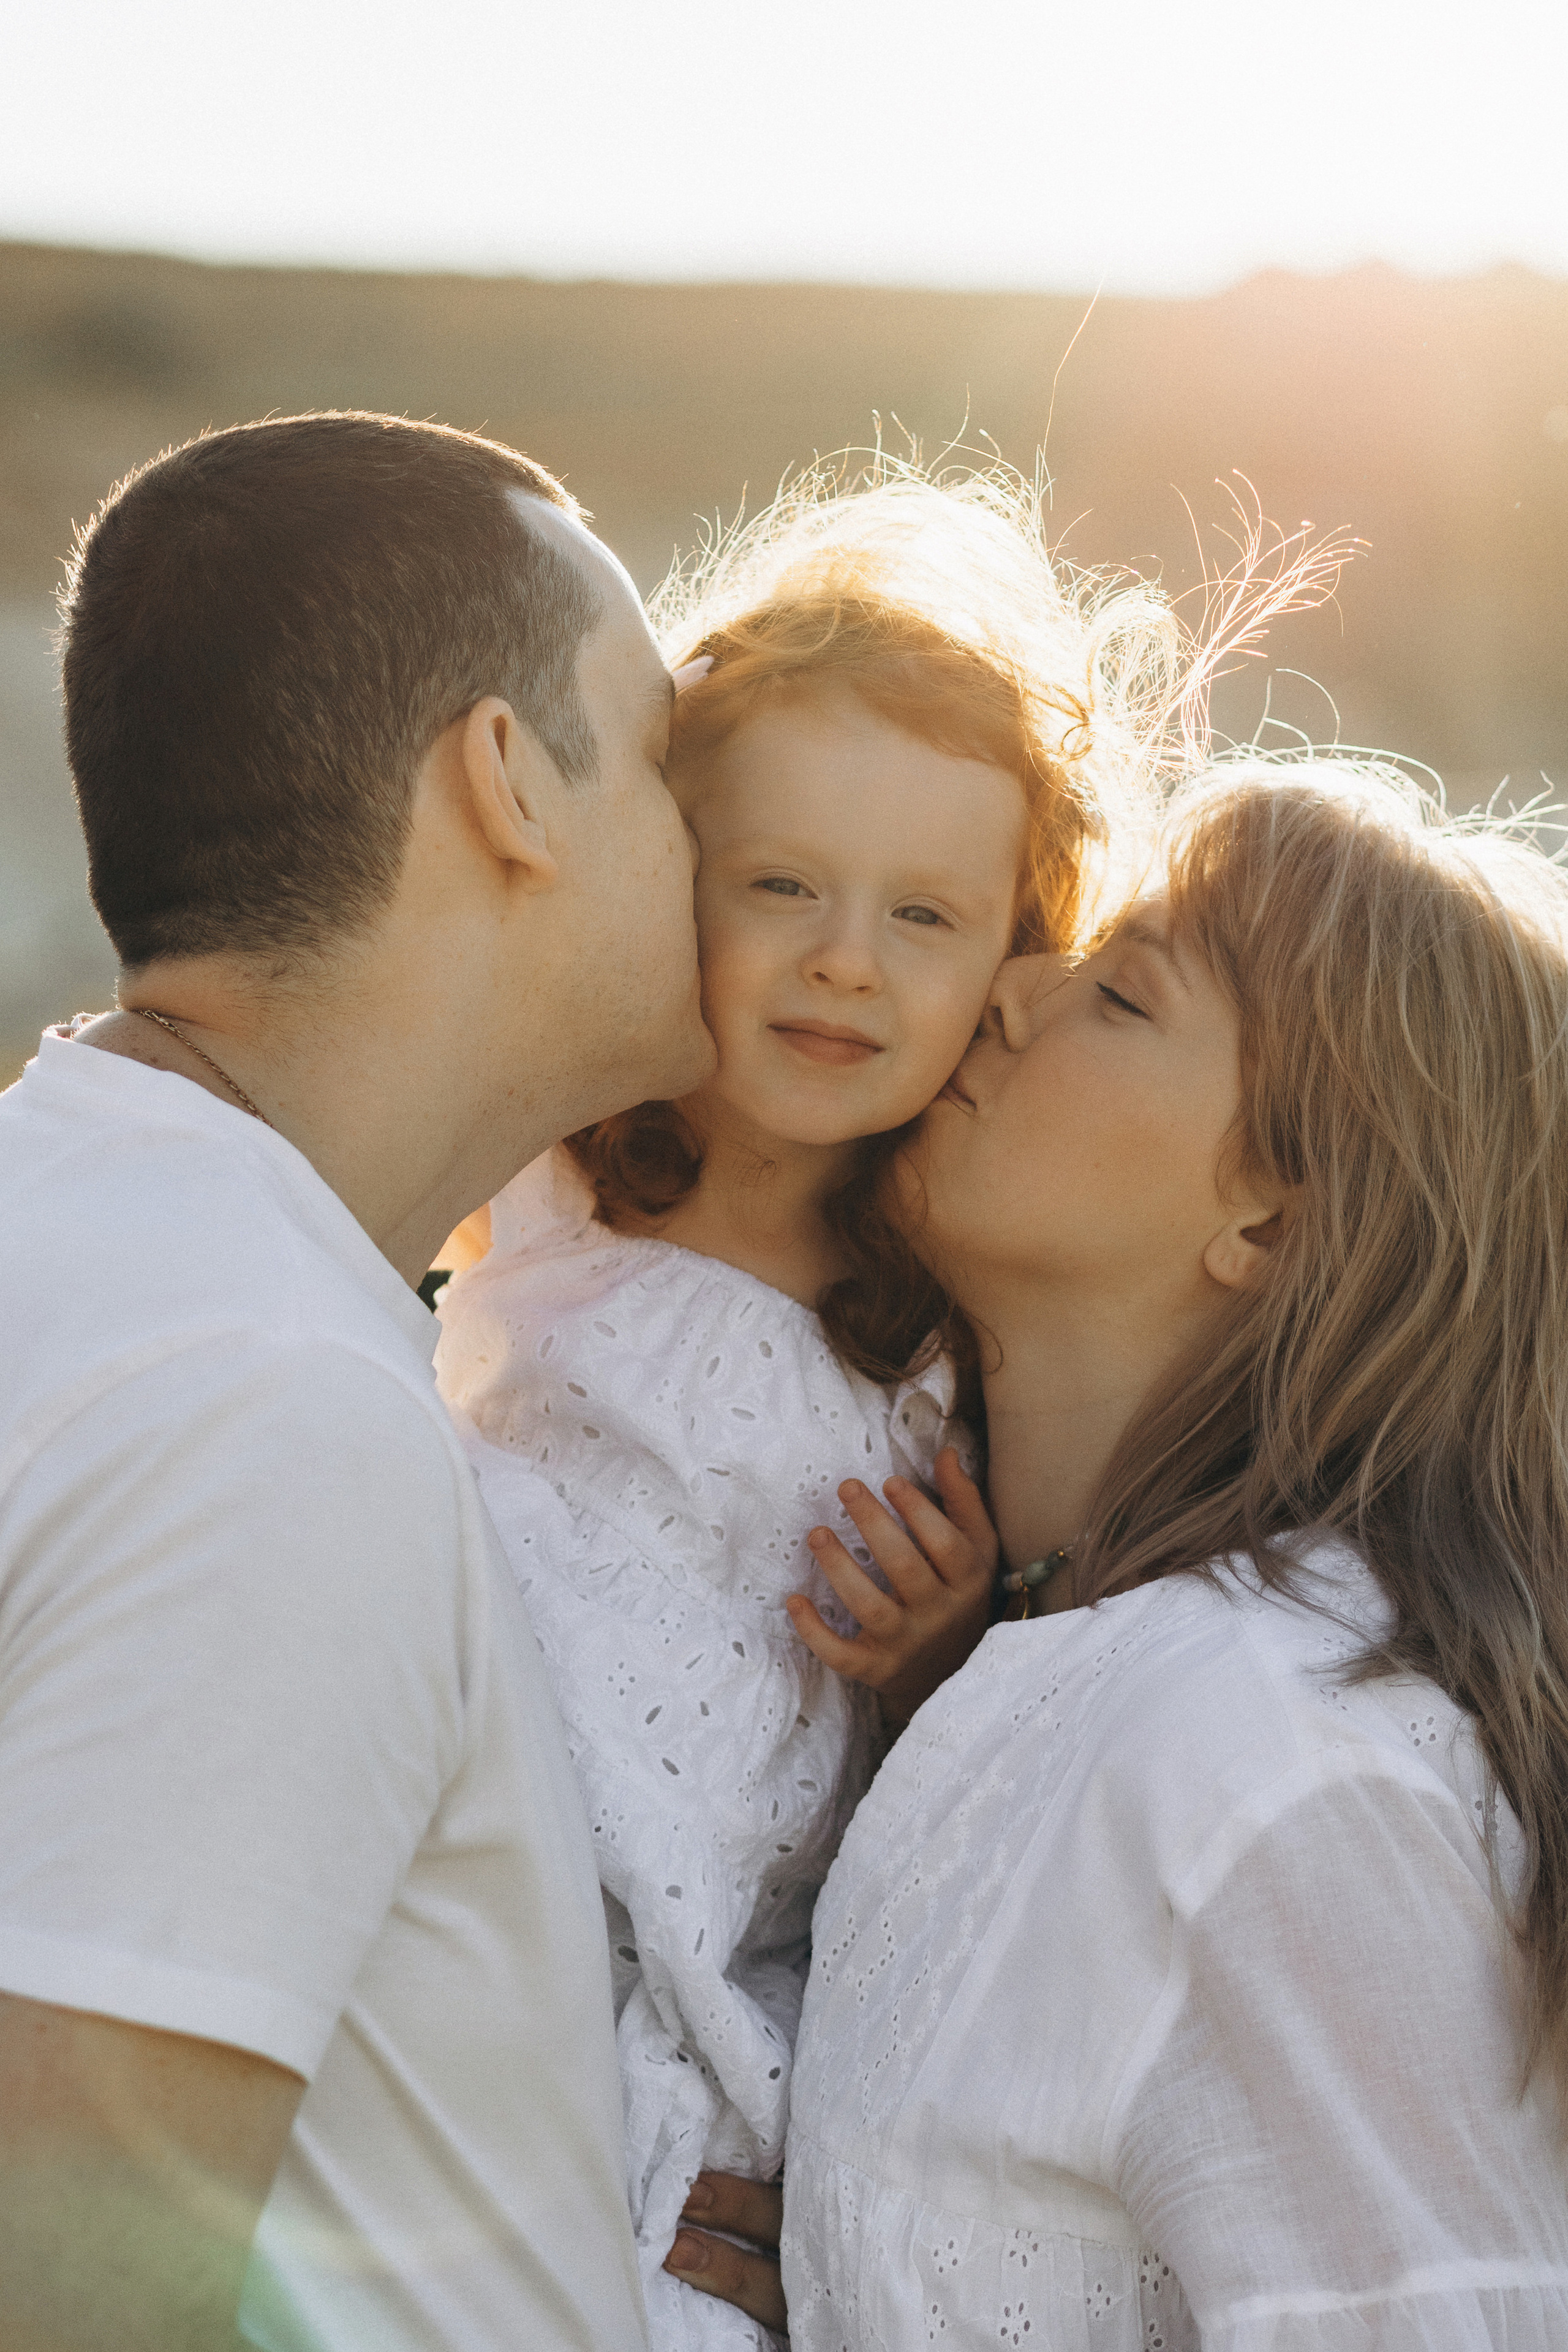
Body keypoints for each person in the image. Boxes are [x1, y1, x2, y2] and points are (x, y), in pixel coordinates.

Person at [674, 761, 1568, 2346]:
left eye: (1125, 995)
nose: (1011, 989)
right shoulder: (1033, 1667)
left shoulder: (1279, 1760)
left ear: (1277, 1223)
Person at [431, 465, 1174, 2350]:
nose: (847, 957)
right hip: (473, 1808)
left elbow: (963, 1758)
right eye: (780, 887)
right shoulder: (553, 1149)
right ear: (669, 873)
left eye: (927, 917)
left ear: (1013, 959)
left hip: (711, 1957)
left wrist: (935, 1651)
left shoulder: (950, 1297)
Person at [0, 411, 712, 2352]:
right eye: (662, 755)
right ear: (509, 784)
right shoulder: (263, 1404)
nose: (712, 839)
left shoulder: (81, 1246)